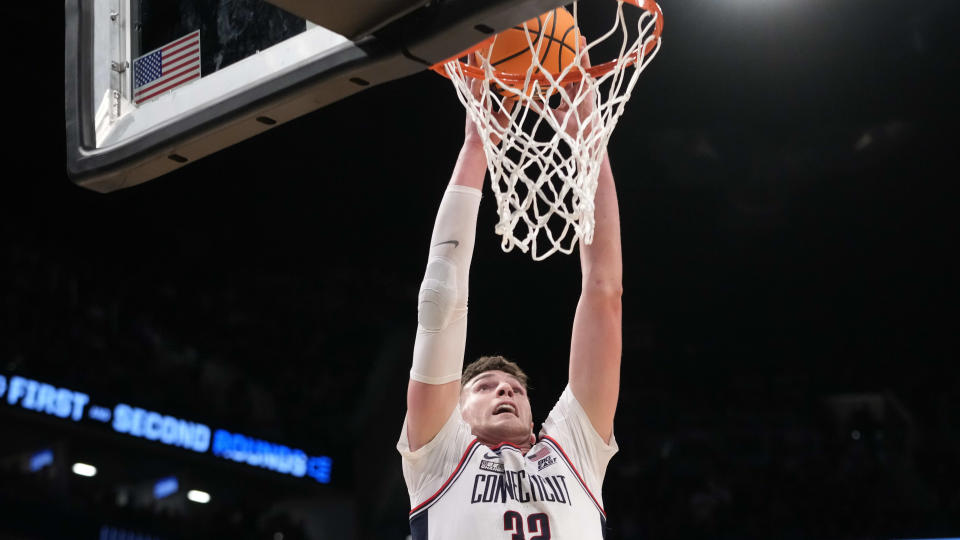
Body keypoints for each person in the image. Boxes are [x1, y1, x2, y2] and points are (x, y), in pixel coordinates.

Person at [397, 44, 622, 539]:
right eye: (485, 387)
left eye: (515, 389)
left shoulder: (571, 452)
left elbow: (604, 291)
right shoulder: (440, 453)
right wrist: (474, 148)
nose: (506, 390)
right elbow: (441, 293)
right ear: (455, 413)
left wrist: (590, 142)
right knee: (439, 301)